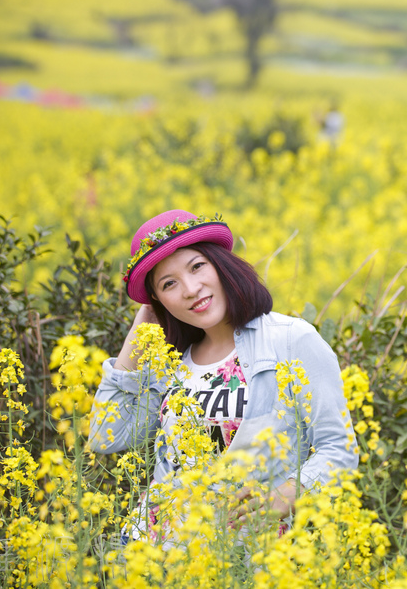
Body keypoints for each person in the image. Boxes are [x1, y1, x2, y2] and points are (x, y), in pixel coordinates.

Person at [88, 210, 358, 543]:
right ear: (159, 300)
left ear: (221, 264)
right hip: (156, 557)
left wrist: (283, 496)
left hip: (249, 557)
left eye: (197, 266)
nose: (190, 289)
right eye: (168, 284)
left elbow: (339, 449)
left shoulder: (290, 339)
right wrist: (139, 331)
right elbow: (105, 436)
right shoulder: (169, 363)